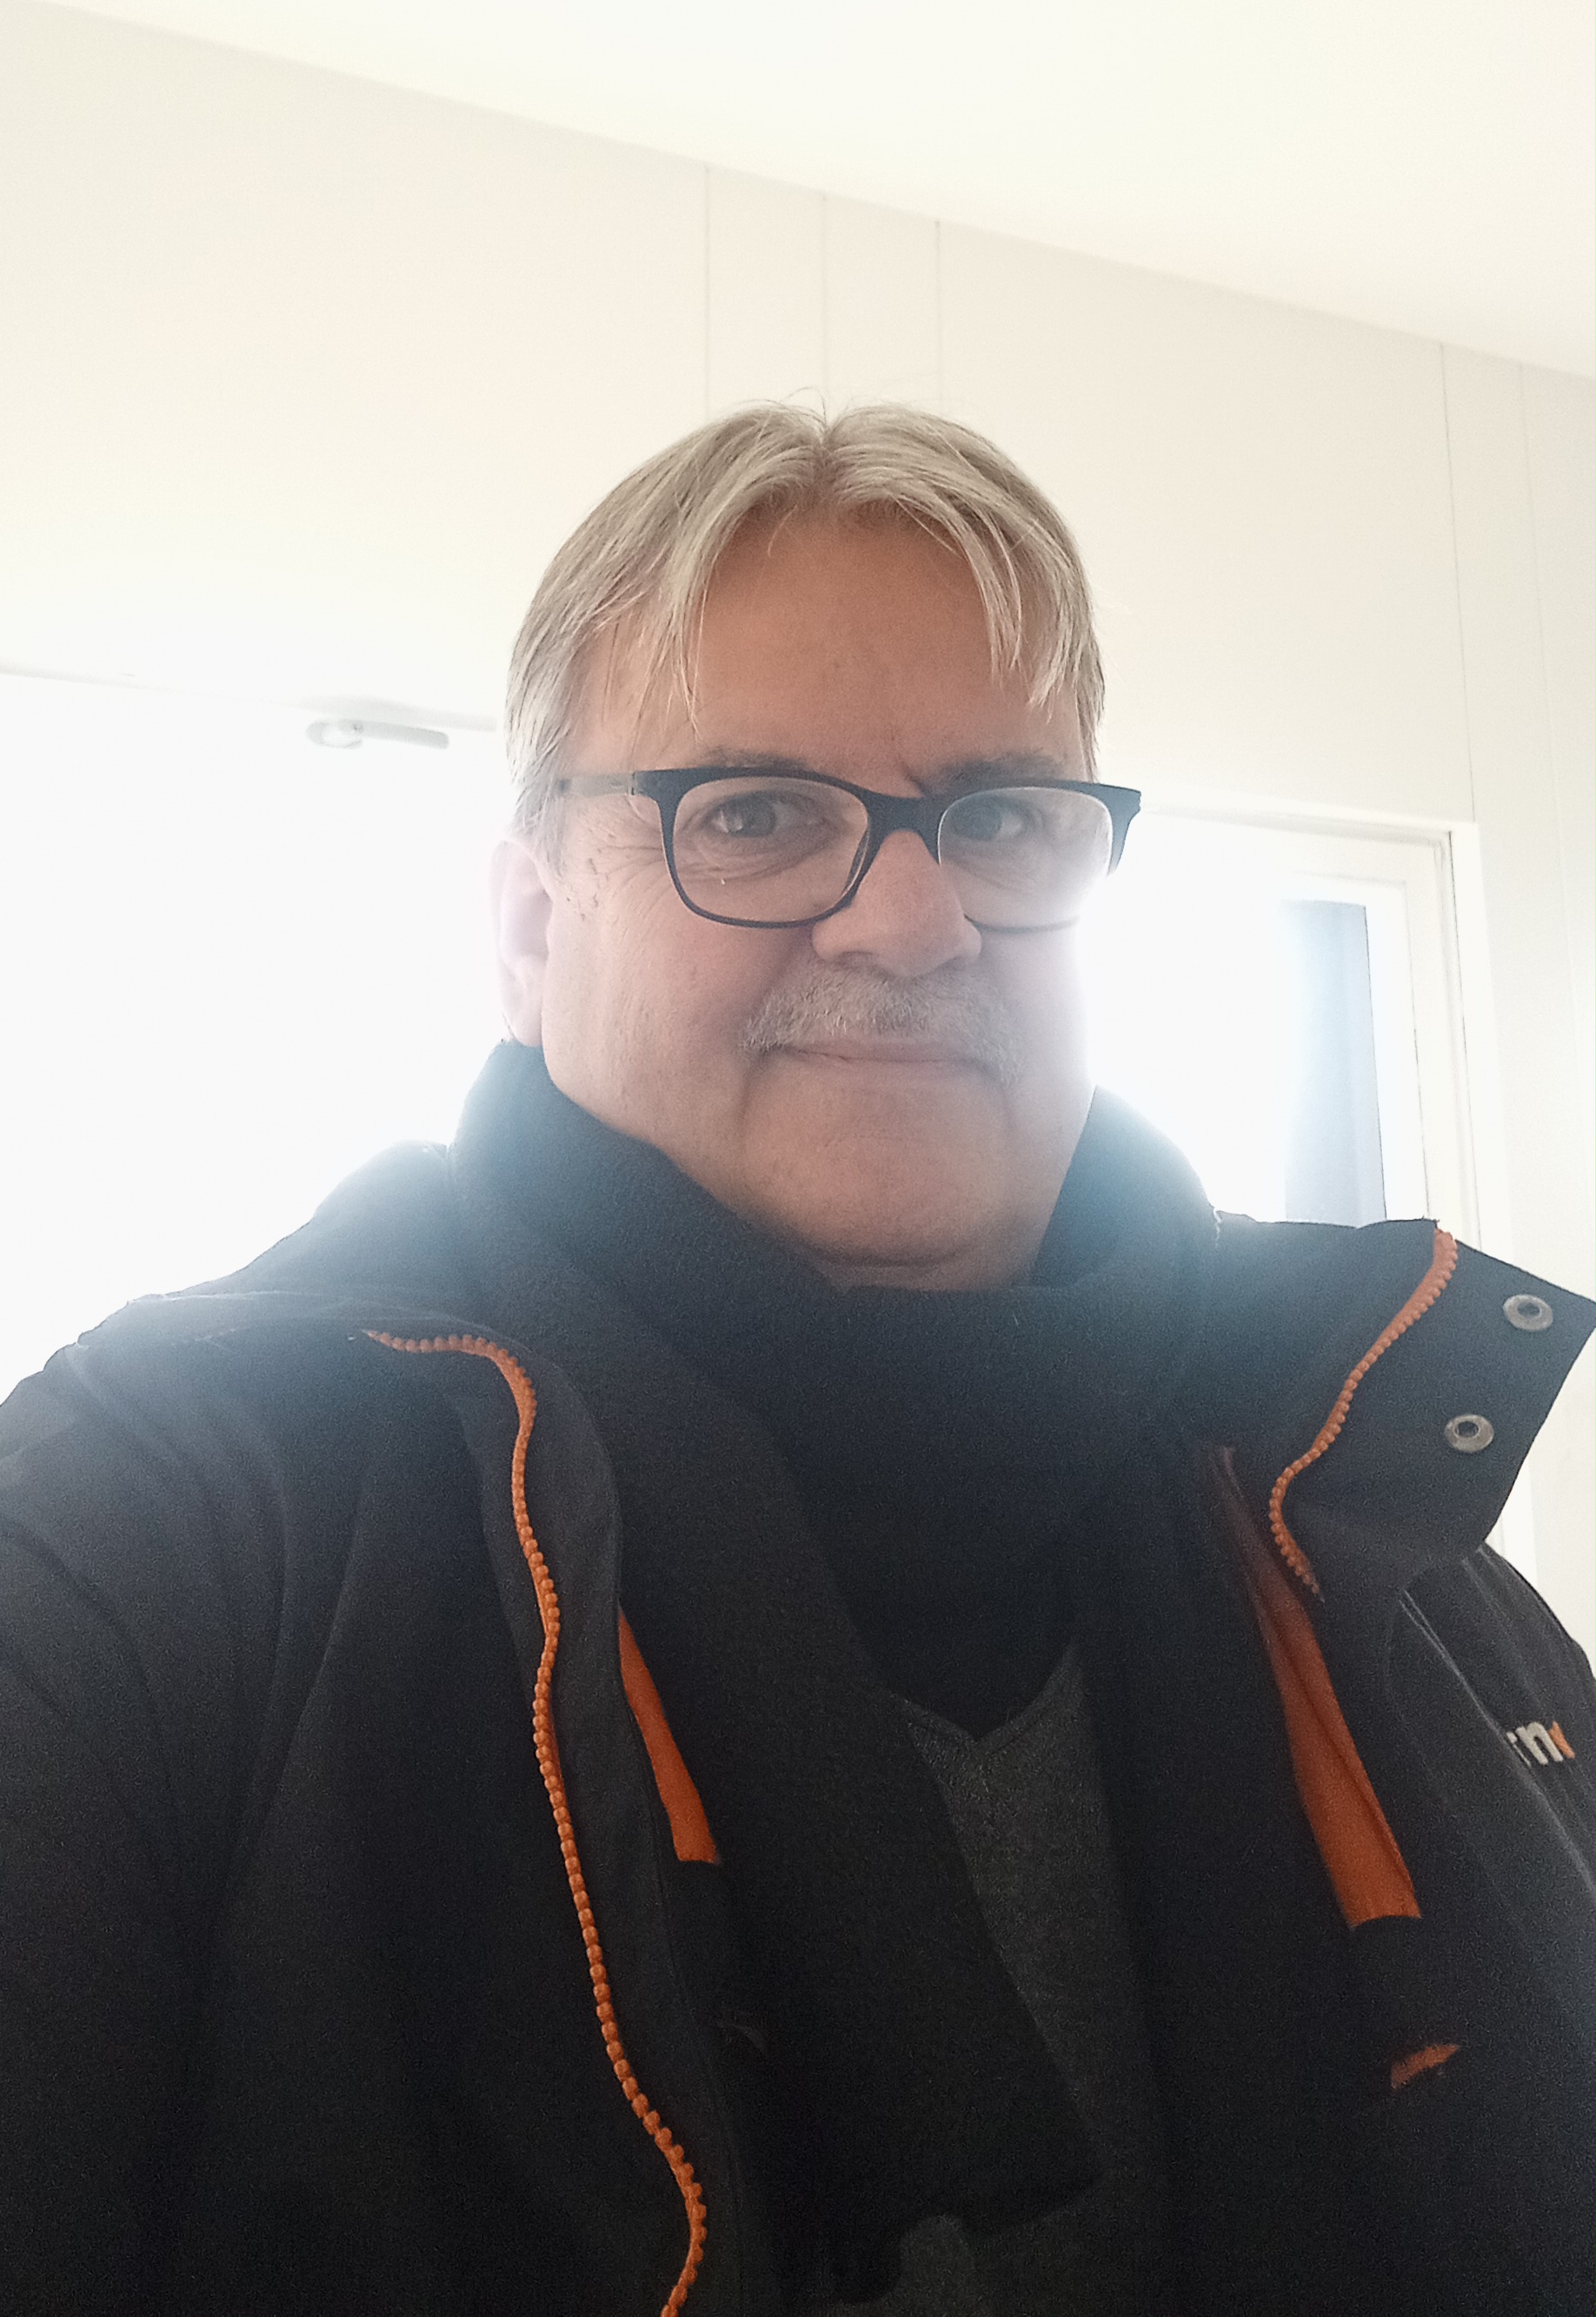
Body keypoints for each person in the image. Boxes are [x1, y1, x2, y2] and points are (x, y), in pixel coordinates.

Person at [2, 403, 1593, 2317]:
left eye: (1003, 817)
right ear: (531, 925)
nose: (915, 920)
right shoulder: (151, 1537)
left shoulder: (1377, 1543)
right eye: (752, 812)